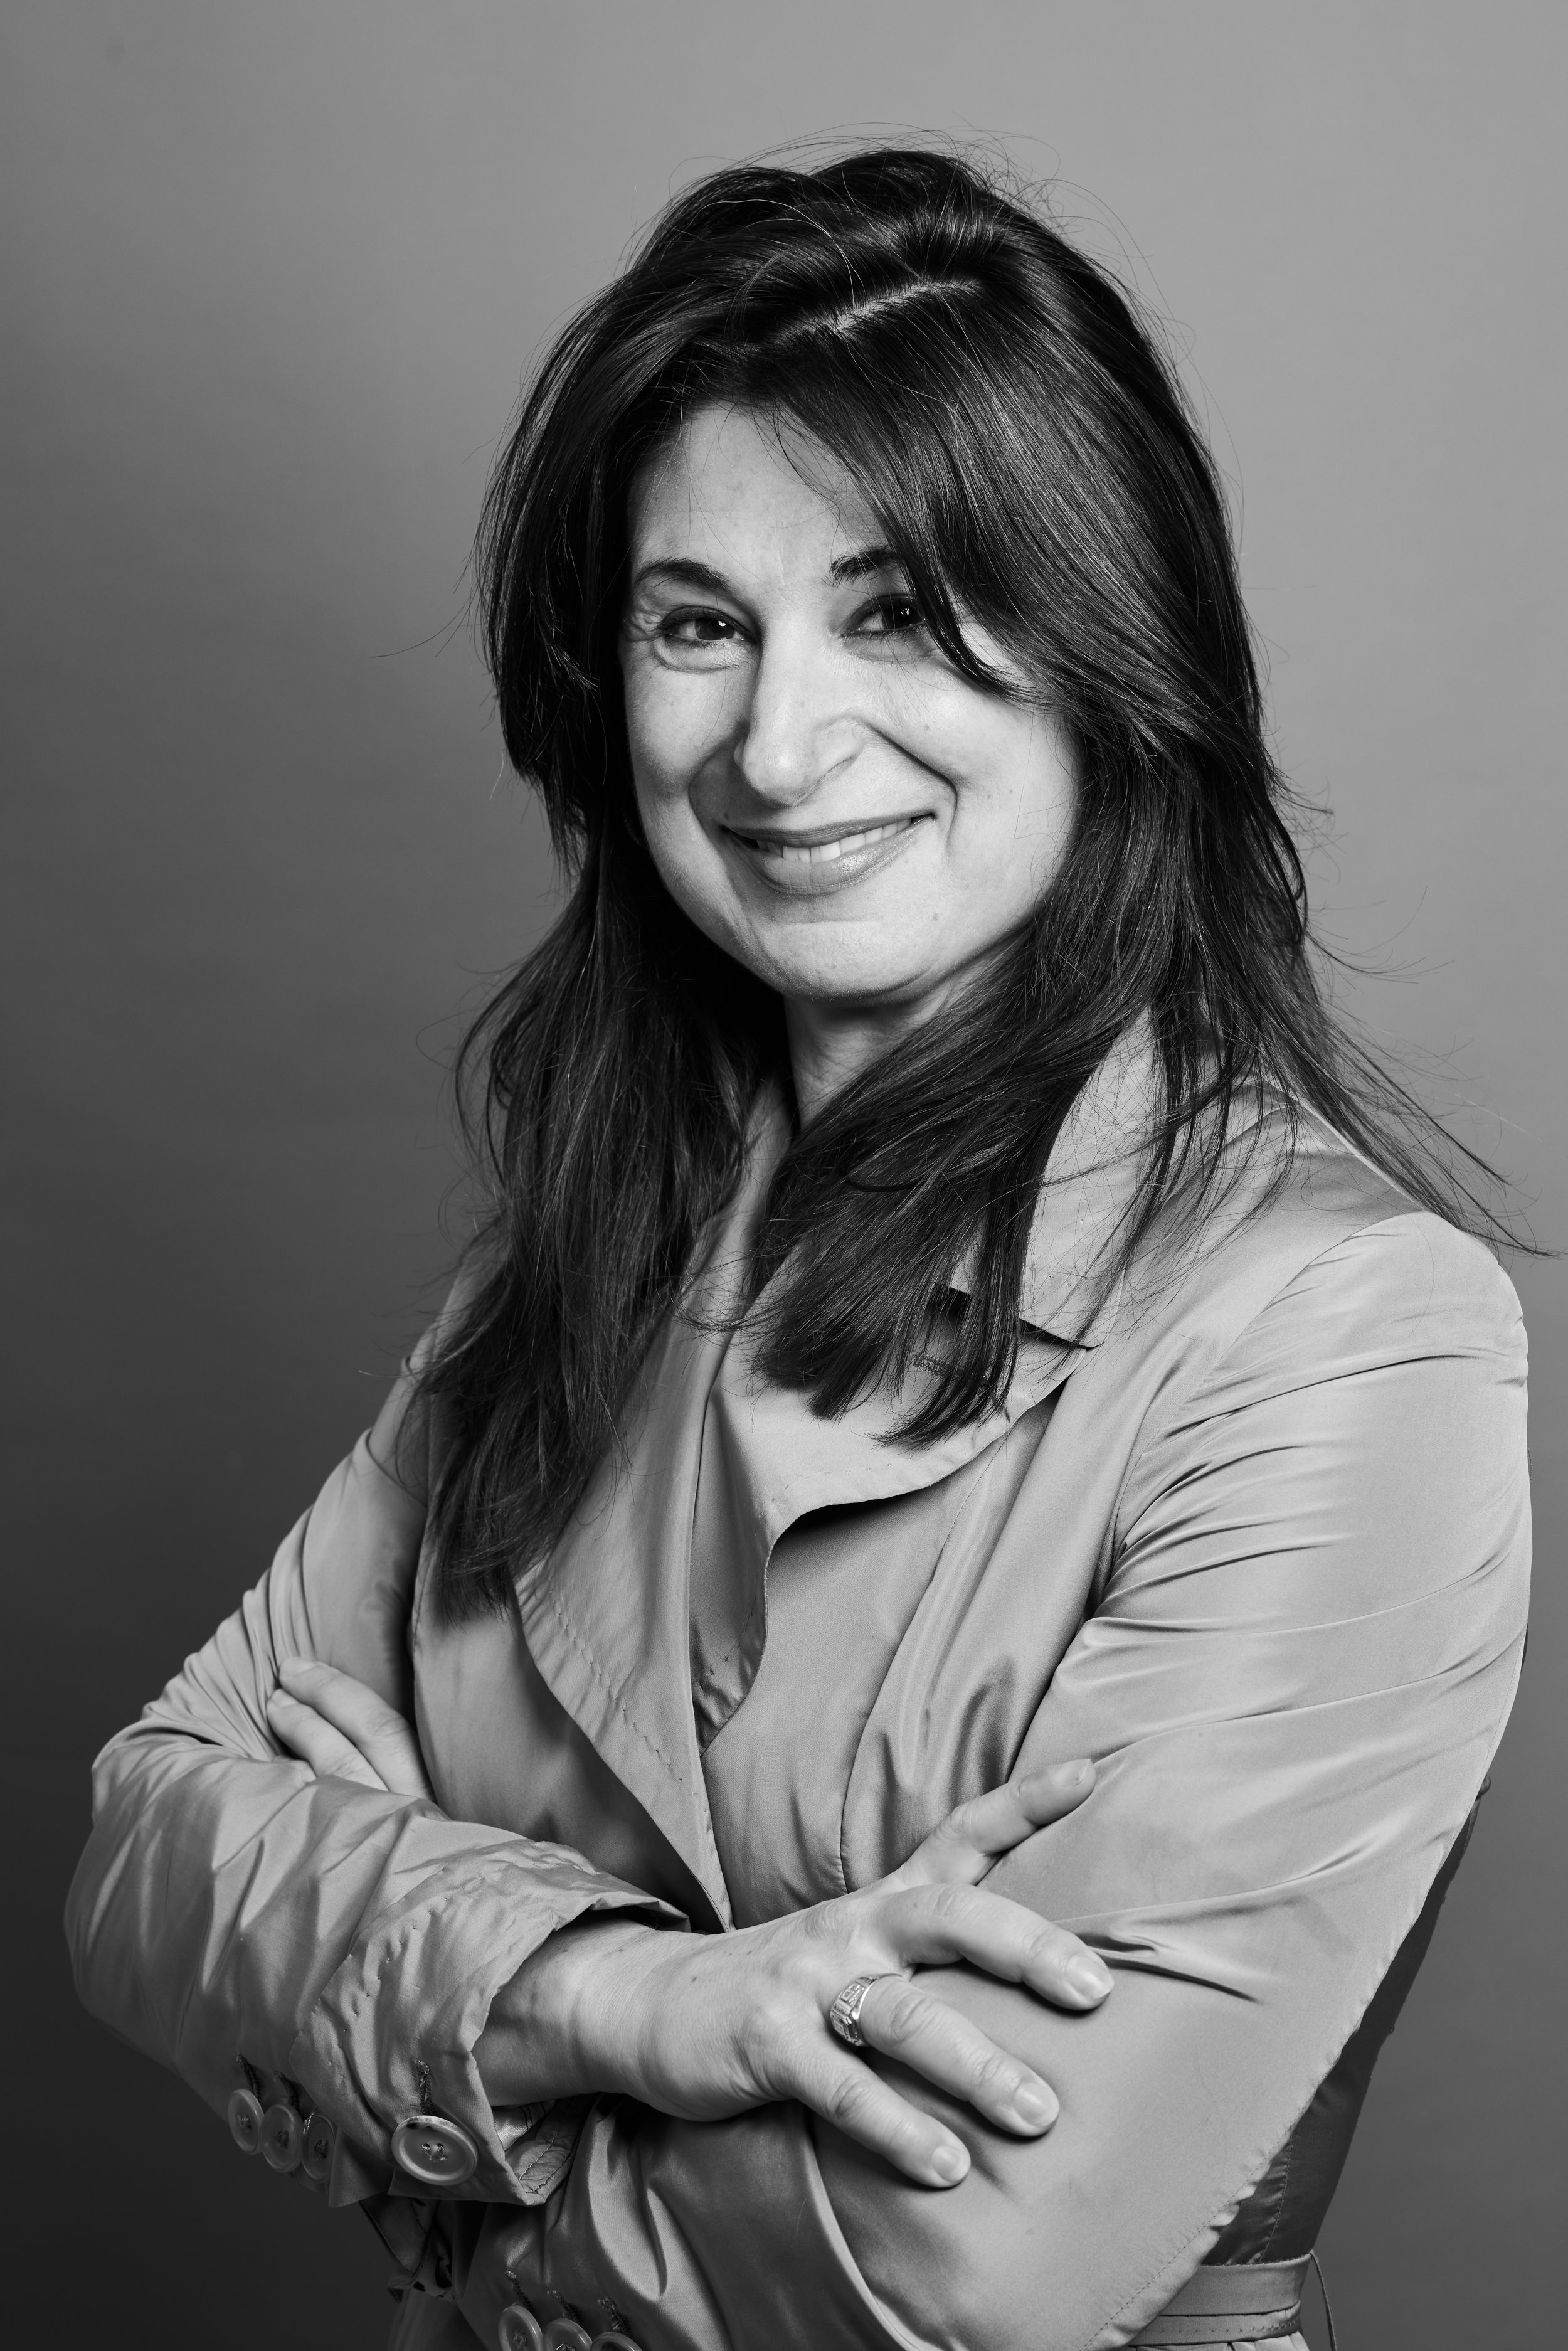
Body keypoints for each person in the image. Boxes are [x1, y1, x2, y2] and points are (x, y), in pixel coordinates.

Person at [66, 147, 1530, 2351]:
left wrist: (431, 2093)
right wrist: (631, 1998)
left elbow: (970, 2249)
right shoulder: (579, 1253)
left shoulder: (1340, 1333)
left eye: (894, 612)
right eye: (694, 622)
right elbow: (142, 1850)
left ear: (1106, 643)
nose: (773, 741)